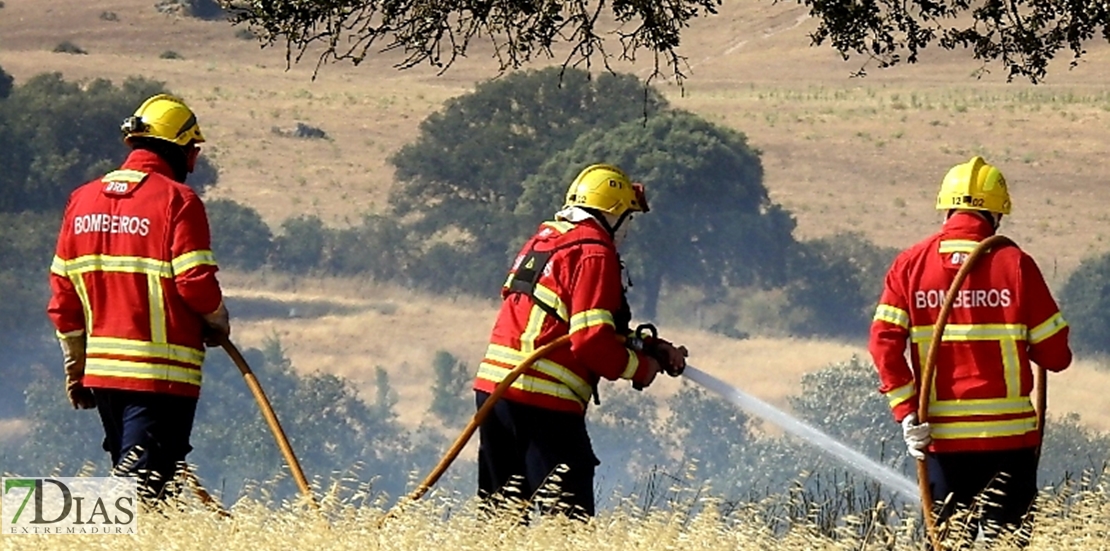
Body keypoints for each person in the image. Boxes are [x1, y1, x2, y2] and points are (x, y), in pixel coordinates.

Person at [869, 156, 1071, 547]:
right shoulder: (1016, 264)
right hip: (1010, 444)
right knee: (1007, 544)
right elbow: (1056, 357)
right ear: (997, 214)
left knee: (947, 543)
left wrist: (907, 414)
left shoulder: (910, 264)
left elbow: (883, 343)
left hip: (941, 443)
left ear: (946, 208)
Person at [473, 164, 688, 518]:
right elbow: (589, 341)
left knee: (501, 517)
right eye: (628, 219)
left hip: (495, 391)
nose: (628, 231)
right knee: (569, 522)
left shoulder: (547, 239)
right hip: (543, 398)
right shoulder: (594, 251)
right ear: (613, 213)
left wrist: (650, 346)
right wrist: (640, 368)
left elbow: (570, 323)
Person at [47, 94, 230, 500]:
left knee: (137, 488)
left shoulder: (82, 200)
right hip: (160, 377)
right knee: (142, 497)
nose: (195, 162)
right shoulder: (177, 201)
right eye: (193, 149)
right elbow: (195, 281)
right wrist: (218, 319)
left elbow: (63, 298)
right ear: (179, 148)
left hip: (104, 376)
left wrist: (76, 368)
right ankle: (29, 520)